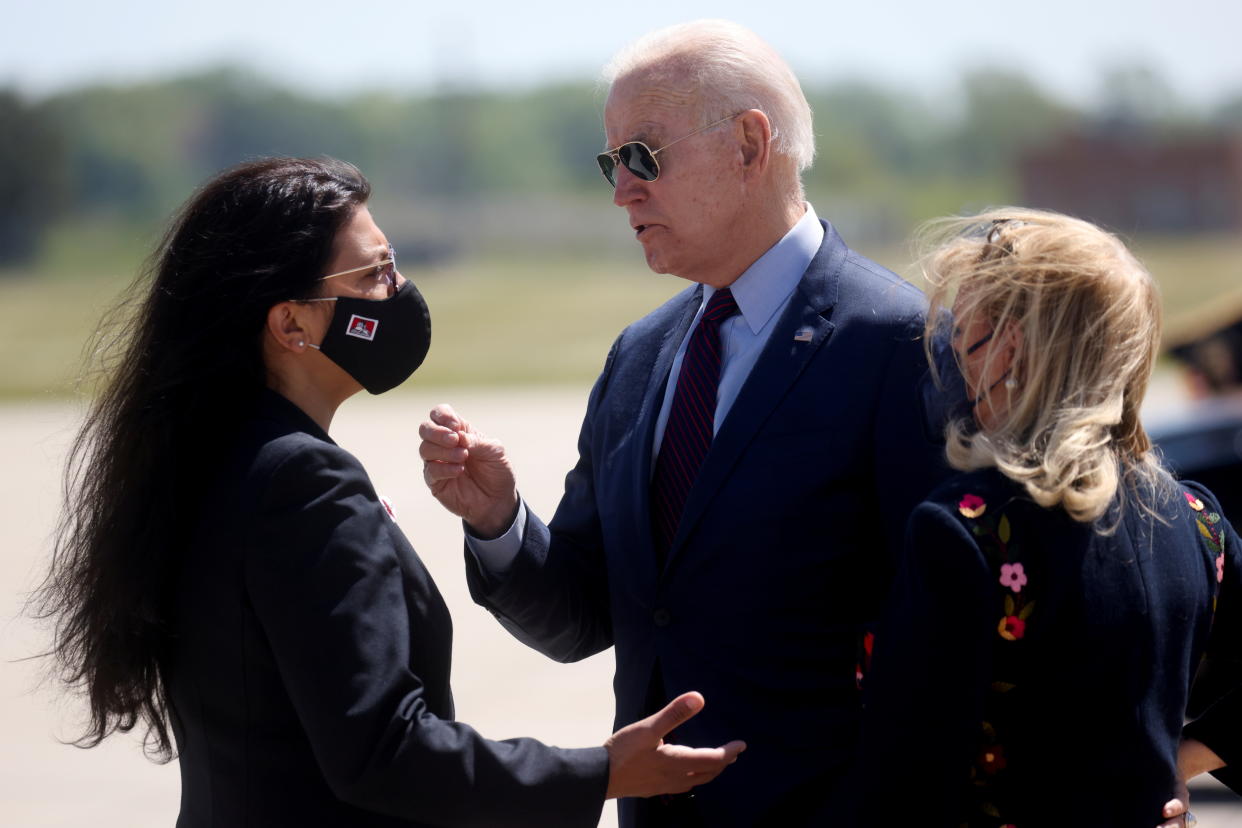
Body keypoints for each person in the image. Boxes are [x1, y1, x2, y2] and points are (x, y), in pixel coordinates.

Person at [34, 156, 744, 827]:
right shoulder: (304, 483)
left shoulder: (217, 456)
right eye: (375, 275)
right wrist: (601, 771)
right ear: (291, 323)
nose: (399, 293)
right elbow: (383, 752)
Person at [418, 21, 948, 826]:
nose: (622, 189)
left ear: (748, 143)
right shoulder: (641, 355)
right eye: (611, 163)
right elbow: (585, 614)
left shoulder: (901, 343)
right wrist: (497, 522)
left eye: (643, 156)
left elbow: (953, 631)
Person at [858, 208, 1241, 826]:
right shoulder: (1196, 518)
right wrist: (1176, 762)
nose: (956, 356)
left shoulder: (968, 530)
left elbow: (907, 778)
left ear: (1013, 348)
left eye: (968, 336)